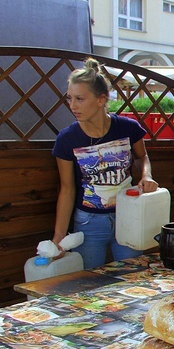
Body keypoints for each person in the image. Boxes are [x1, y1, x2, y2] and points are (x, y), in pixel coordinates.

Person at [52, 58, 159, 269]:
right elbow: (67, 190)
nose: (72, 106)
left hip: (128, 214)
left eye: (80, 99)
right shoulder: (67, 139)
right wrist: (58, 237)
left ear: (101, 100)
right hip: (89, 222)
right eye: (70, 98)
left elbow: (142, 158)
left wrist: (146, 175)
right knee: (90, 285)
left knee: (132, 277)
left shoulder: (127, 128)